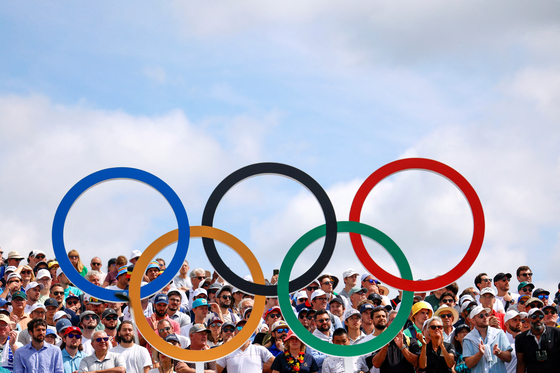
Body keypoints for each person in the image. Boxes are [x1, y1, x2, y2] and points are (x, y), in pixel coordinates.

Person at [463, 305, 512, 372]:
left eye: (486, 314)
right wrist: (480, 354)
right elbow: (468, 364)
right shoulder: (468, 338)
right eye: (481, 316)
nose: (485, 317)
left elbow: (509, 358)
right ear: (473, 320)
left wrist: (499, 353)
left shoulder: (499, 333)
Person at [515, 308, 560, 373]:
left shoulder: (556, 333)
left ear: (544, 319)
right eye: (534, 317)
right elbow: (521, 363)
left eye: (541, 317)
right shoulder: (521, 339)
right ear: (528, 320)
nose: (538, 319)